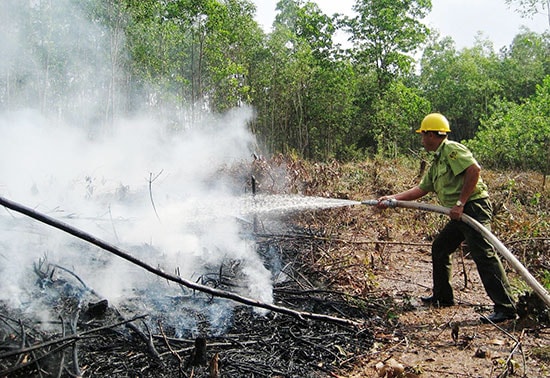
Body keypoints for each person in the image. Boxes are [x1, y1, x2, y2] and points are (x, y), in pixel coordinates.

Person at [377, 113, 517, 323]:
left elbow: (474, 169)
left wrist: (460, 203)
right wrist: (393, 198)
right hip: (460, 213)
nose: (422, 140)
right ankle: (442, 297)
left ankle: (506, 308)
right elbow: (421, 189)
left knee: (483, 255)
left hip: (472, 208)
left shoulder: (452, 149)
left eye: (423, 135)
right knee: (441, 247)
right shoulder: (437, 160)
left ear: (432, 134)